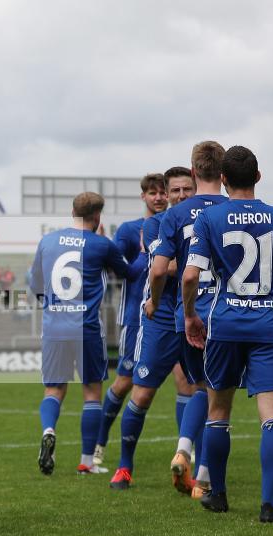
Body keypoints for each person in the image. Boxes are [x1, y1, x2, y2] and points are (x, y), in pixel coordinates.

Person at [183, 145, 273, 522]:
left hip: (225, 324)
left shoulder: (209, 218)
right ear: (258, 176)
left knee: (218, 411)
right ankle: (269, 505)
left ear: (223, 180)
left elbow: (190, 275)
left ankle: (218, 495)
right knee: (272, 416)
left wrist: (190, 315)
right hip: (267, 323)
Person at [29, 191, 142, 477]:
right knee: (91, 393)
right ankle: (87, 461)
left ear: (73, 212)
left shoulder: (48, 241)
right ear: (97, 216)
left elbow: (36, 286)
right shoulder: (101, 245)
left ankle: (49, 430)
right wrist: (144, 253)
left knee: (54, 389)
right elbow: (130, 274)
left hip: (54, 327)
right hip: (87, 327)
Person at [108, 165, 202, 490]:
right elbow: (168, 267)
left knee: (192, 389)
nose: (179, 195)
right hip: (160, 316)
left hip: (196, 313)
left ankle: (192, 464)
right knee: (142, 392)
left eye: (185, 190)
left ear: (195, 189)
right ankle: (124, 466)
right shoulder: (154, 224)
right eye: (174, 190)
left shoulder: (205, 219)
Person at [150, 142, 228, 498]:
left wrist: (154, 300)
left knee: (197, 387)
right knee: (219, 399)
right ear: (223, 173)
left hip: (190, 315)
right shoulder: (234, 208)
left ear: (194, 173)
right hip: (228, 314)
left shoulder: (176, 215)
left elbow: (158, 269)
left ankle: (184, 447)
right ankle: (205, 479)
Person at [94, 172, 169, 466]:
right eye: (153, 193)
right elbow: (119, 271)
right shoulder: (128, 231)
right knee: (124, 383)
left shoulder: (177, 225)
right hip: (137, 318)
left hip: (173, 319)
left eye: (163, 192)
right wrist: (141, 254)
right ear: (144, 197)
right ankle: (99, 444)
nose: (159, 197)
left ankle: (188, 453)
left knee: (187, 383)